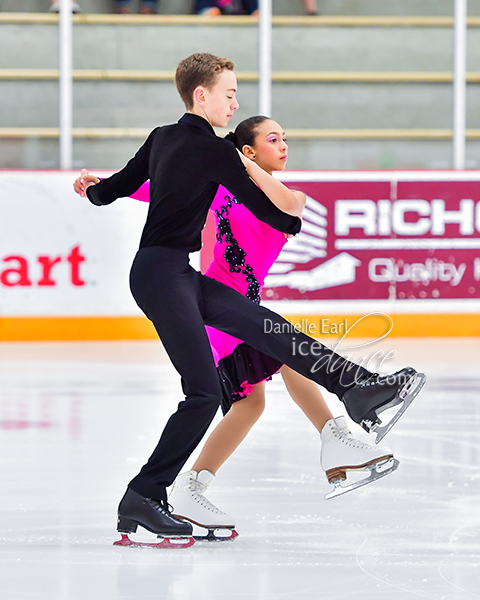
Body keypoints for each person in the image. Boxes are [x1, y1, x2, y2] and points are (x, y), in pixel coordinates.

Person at [73, 52, 424, 547]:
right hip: (162, 276)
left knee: (270, 329)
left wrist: (91, 190)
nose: (234, 103)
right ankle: (145, 495)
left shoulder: (163, 138)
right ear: (202, 95)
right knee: (203, 394)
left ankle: (359, 389)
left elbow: (117, 188)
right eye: (230, 94)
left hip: (173, 274)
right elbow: (277, 214)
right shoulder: (215, 151)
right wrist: (273, 201)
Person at [129, 116, 399, 539]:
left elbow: (290, 204)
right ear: (249, 150)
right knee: (285, 356)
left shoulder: (281, 195)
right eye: (274, 139)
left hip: (238, 310)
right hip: (215, 308)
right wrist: (101, 184)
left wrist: (238, 162)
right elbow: (153, 185)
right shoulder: (217, 186)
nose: (284, 145)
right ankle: (335, 438)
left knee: (250, 405)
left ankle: (192, 487)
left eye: (285, 138)